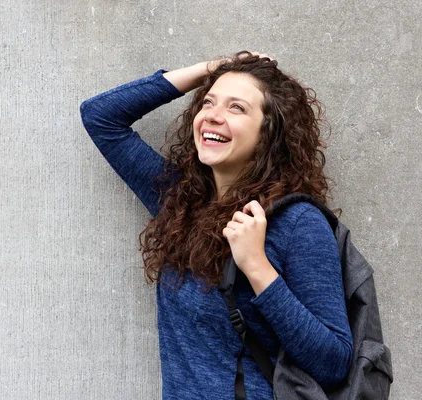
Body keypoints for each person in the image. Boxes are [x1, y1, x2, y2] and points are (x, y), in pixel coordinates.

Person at [80, 51, 353, 400]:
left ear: (269, 131)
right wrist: (213, 69)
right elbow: (101, 116)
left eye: (236, 108)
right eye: (208, 103)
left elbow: (334, 362)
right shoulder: (180, 203)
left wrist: (257, 268)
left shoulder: (297, 223)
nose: (213, 116)